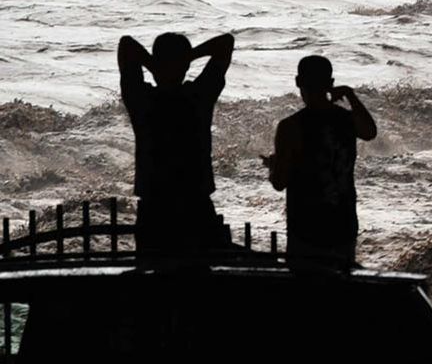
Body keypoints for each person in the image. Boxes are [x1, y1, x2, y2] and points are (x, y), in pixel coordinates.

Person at [118, 32, 234, 254]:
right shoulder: (199, 96)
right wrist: (188, 57)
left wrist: (155, 65)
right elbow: (225, 43)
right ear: (186, 66)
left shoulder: (141, 99)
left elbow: (127, 46)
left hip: (154, 206)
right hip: (196, 203)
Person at [261, 55, 377, 269]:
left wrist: (272, 166)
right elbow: (370, 132)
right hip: (343, 222)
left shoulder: (291, 126)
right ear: (330, 84)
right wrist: (351, 96)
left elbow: (279, 182)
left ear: (297, 81)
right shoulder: (346, 119)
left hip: (306, 226)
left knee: (308, 292)